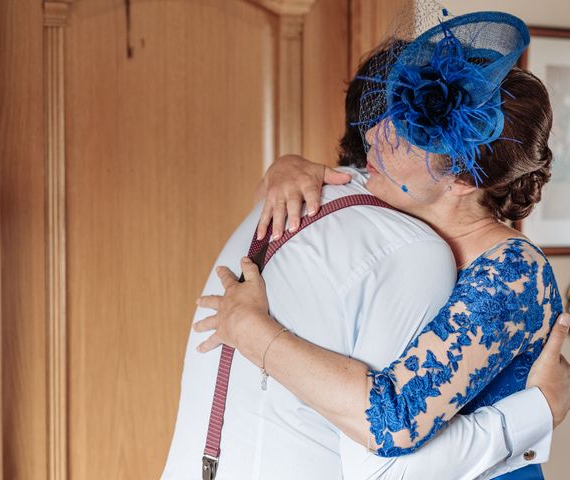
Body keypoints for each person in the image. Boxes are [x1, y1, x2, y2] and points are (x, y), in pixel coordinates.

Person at [163, 10, 570, 479]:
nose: (373, 134)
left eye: (407, 135)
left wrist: (253, 332)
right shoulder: (396, 214)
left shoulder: (512, 272)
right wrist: (288, 165)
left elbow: (391, 429)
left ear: (460, 179)